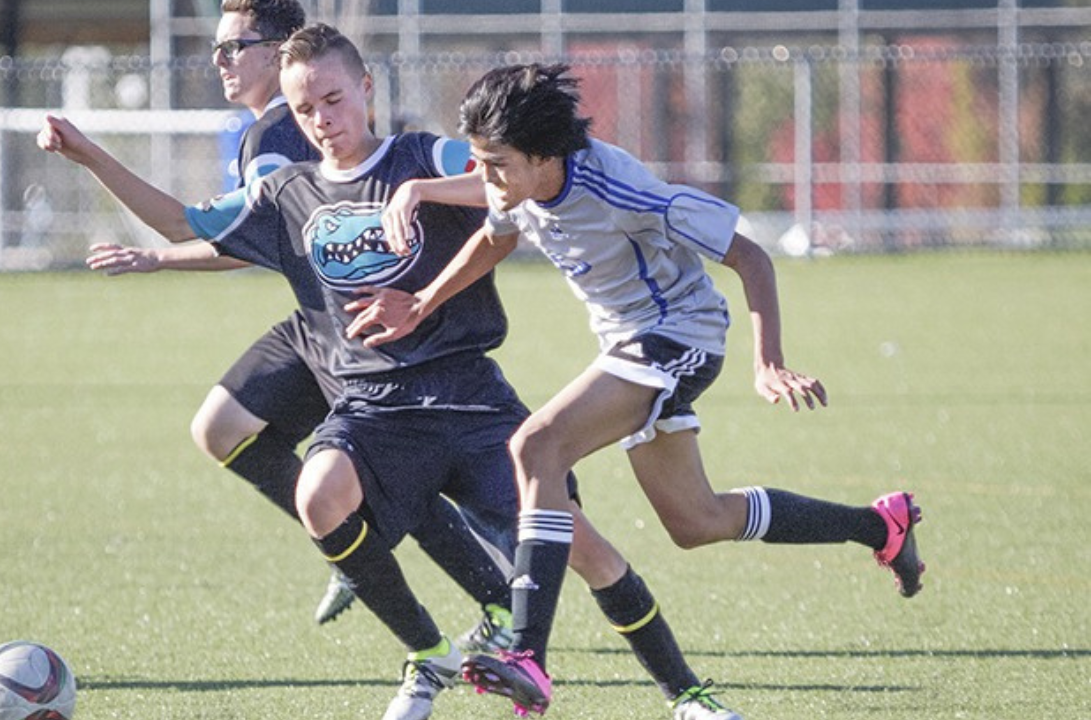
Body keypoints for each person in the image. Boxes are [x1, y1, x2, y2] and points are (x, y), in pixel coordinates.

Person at [349, 63, 926, 717]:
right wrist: (422, 298)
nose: (486, 180)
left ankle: (528, 654)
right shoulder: (519, 185)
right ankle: (880, 526)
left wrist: (767, 361)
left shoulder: (622, 188)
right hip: (628, 348)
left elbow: (751, 256)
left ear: (545, 155)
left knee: (537, 446)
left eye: (494, 165)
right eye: (480, 164)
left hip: (680, 338)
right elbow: (494, 234)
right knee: (696, 520)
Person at [36, 0, 508, 630]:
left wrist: (109, 179)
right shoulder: (278, 126)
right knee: (222, 426)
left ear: (282, 50)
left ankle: (443, 577)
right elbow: (266, 238)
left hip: (360, 330)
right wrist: (154, 251)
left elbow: (224, 231)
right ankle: (349, 537)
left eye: (236, 46)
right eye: (216, 49)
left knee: (390, 466)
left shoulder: (277, 137)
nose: (221, 60)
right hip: (319, 318)